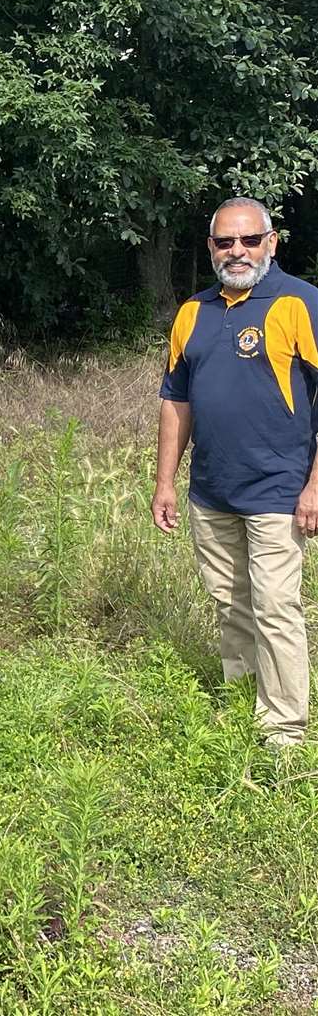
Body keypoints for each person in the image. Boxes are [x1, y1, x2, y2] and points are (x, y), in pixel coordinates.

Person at [153, 196, 318, 748]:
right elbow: (175, 400)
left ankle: (284, 730)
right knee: (231, 602)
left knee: (275, 608)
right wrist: (165, 482)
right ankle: (240, 695)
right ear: (211, 248)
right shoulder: (192, 312)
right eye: (226, 242)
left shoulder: (300, 302)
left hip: (279, 489)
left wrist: (315, 485)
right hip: (211, 492)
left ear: (272, 242)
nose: (238, 251)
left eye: (250, 239)